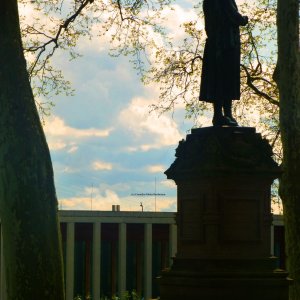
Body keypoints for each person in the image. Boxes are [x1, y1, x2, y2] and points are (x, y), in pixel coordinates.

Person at [199, 0, 248, 126]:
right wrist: (243, 19)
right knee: (224, 79)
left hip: (216, 43)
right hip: (226, 44)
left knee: (220, 79)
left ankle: (225, 114)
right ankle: (222, 114)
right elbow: (232, 13)